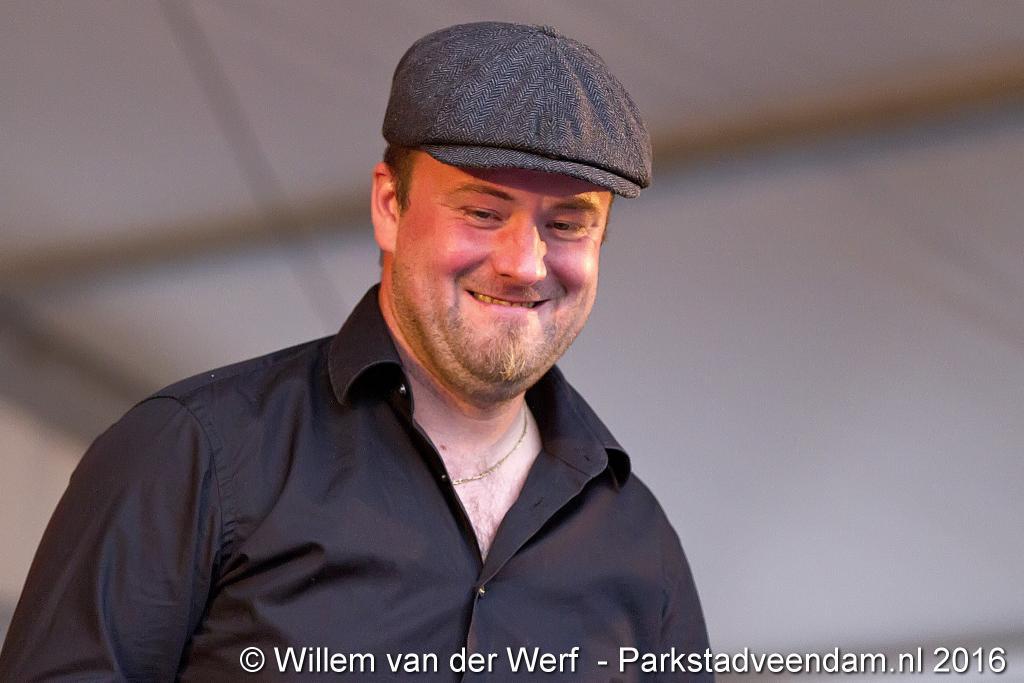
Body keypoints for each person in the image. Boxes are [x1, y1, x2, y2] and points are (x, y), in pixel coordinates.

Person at [0, 22, 709, 681]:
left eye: (567, 224)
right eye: (482, 211)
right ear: (389, 206)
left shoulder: (641, 548)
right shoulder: (192, 454)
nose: (524, 263)